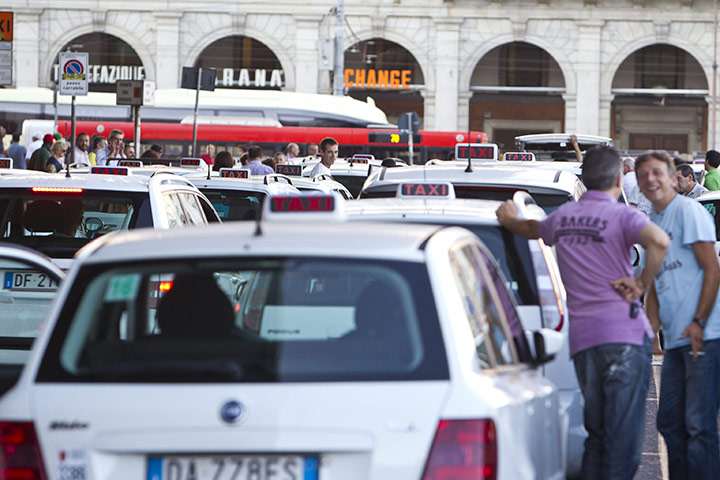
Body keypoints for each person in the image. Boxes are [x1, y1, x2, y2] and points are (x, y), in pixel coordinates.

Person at [496, 146, 669, 479]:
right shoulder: (623, 216)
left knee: (598, 437)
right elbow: (659, 241)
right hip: (624, 338)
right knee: (623, 446)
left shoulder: (563, 217)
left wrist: (509, 218)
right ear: (620, 178)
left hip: (584, 342)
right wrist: (640, 283)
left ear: (583, 179)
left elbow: (531, 230)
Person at [635, 150, 720, 480]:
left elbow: (712, 269)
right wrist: (648, 331)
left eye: (657, 173)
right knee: (669, 419)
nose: (650, 179)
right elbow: (655, 284)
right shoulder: (655, 222)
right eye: (644, 175)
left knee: (700, 425)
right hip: (675, 339)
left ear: (674, 178)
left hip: (705, 335)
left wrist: (699, 321)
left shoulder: (688, 212)